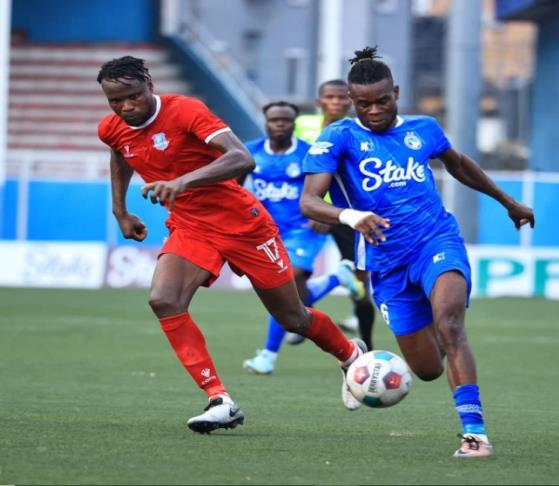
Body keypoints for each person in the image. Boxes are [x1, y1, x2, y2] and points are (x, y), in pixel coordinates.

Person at [96, 56, 369, 434]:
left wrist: (181, 183)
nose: (126, 107)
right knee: (164, 300)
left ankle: (350, 354)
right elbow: (119, 151)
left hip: (244, 226)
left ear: (149, 85)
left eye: (133, 96)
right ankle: (219, 399)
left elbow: (241, 159)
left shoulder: (186, 111)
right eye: (115, 101)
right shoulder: (112, 128)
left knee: (293, 317)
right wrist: (120, 210)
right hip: (191, 227)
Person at [300, 47, 535, 458]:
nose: (373, 110)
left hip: (436, 240)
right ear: (354, 101)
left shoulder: (424, 128)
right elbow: (309, 201)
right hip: (385, 262)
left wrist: (507, 201)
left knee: (450, 325)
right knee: (427, 370)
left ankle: (474, 434)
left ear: (396, 91)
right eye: (363, 103)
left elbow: (459, 164)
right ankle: (365, 351)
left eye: (382, 100)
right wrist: (352, 217)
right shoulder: (338, 136)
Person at [241, 100, 363, 374]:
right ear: (267, 123)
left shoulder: (307, 153)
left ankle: (268, 356)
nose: (280, 124)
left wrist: (323, 212)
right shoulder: (251, 152)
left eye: (286, 120)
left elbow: (331, 182)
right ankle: (337, 279)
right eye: (275, 120)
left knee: (287, 282)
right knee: (289, 297)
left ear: (293, 124)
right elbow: (231, 184)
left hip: (304, 229)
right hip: (267, 232)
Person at [291, 79, 377, 350]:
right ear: (320, 102)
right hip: (308, 213)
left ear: (350, 101)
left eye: (342, 98)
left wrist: (327, 209)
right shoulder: (301, 126)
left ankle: (367, 345)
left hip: (346, 213)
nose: (337, 102)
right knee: (293, 275)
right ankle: (305, 321)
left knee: (359, 282)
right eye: (330, 97)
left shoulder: (359, 130)